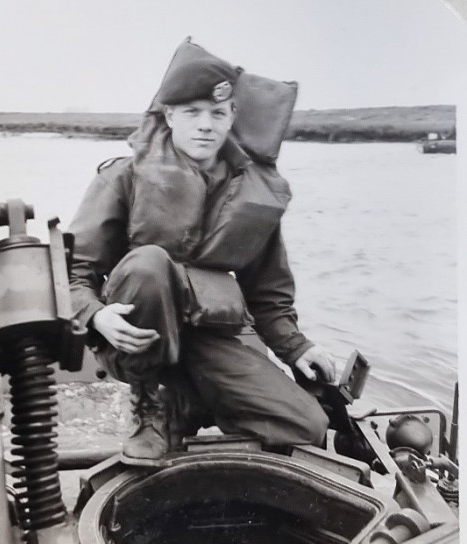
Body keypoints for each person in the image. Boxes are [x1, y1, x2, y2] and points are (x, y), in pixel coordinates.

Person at [69, 54, 335, 466]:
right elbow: (73, 273)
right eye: (192, 112)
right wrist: (96, 315)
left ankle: (188, 404)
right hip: (134, 336)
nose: (206, 125)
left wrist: (297, 347)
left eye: (217, 113)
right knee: (149, 263)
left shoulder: (252, 195)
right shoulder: (123, 177)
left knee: (306, 426)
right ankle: (149, 408)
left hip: (206, 338)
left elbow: (268, 293)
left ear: (232, 118)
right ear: (169, 116)